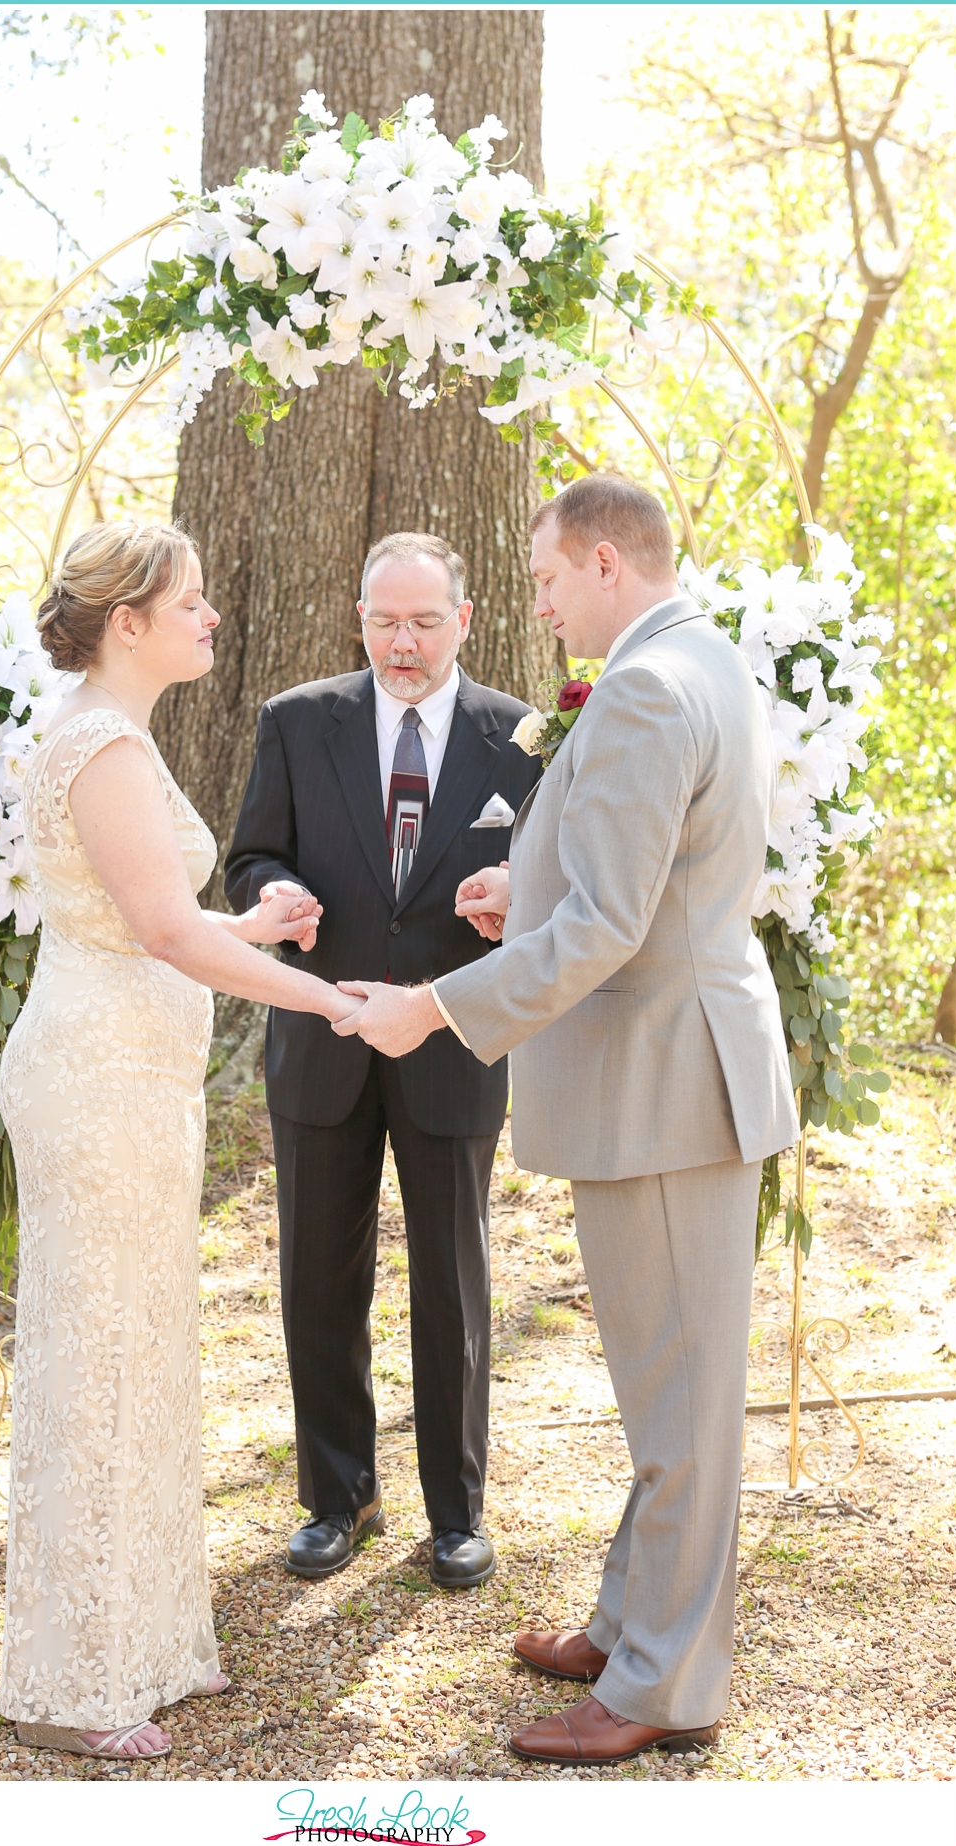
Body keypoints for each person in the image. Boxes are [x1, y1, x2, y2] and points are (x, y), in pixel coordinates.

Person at [336, 476, 796, 1766]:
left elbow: (608, 930)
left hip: (668, 1089)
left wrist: (430, 1005)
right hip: (670, 1072)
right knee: (666, 1388)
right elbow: (637, 883)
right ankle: (630, 1622)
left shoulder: (648, 687)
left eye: (542, 581)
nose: (536, 606)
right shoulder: (702, 657)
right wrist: (520, 888)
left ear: (604, 561)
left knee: (685, 1403)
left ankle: (662, 1686)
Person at [0, 519, 356, 1761]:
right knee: (97, 1355)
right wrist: (328, 997)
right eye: (190, 601)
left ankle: (146, 1639)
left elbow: (152, 911)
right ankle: (73, 1678)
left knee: (142, 1347)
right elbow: (155, 930)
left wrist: (253, 925)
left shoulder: (117, 736)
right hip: (95, 1085)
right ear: (128, 622)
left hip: (136, 1081)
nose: (211, 618)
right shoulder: (97, 742)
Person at [224, 533, 542, 1587]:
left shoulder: (524, 738)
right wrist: (276, 901)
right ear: (358, 617)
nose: (401, 643)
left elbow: (553, 876)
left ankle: (457, 1512)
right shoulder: (296, 720)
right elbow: (253, 854)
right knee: (318, 1275)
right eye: (382, 621)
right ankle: (337, 1496)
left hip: (453, 1035)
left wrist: (514, 906)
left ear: (466, 618)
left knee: (452, 1278)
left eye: (422, 621)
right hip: (322, 1032)